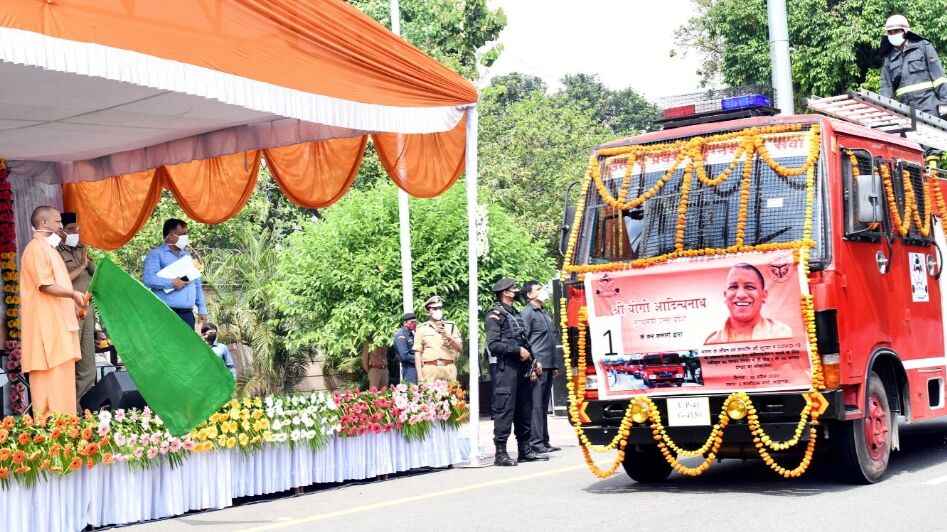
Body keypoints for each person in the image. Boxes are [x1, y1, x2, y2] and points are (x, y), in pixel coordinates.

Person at [21, 206, 87, 414]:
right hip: (47, 330)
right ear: (44, 223)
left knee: (64, 383)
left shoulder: (50, 250)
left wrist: (75, 305)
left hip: (61, 327)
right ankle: (53, 436)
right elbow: (45, 285)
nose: (61, 227)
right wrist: (73, 294)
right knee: (51, 384)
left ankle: (68, 432)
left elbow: (61, 285)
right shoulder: (35, 249)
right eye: (58, 222)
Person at [486, 278, 547, 466]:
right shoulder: (495, 315)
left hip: (522, 368)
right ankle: (501, 453)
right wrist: (516, 351)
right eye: (513, 289)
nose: (516, 291)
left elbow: (525, 342)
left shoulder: (515, 313)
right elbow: (493, 345)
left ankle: (525, 449)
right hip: (507, 369)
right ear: (505, 292)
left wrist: (534, 360)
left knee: (524, 408)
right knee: (505, 410)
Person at [880, 14, 947, 162]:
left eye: (896, 31)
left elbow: (939, 76)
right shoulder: (889, 57)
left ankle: (933, 176)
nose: (893, 35)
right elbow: (886, 87)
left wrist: (944, 102)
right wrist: (883, 110)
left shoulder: (923, 46)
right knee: (912, 149)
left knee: (932, 147)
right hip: (906, 109)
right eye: (890, 32)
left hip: (928, 105)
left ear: (905, 31)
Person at [55, 211, 97, 402]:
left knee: (88, 365)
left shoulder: (82, 249)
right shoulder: (55, 252)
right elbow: (60, 283)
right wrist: (80, 266)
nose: (75, 232)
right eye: (71, 229)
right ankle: (68, 407)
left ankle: (81, 406)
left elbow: (95, 275)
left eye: (76, 229)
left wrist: (88, 262)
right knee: (71, 360)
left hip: (86, 311)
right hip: (68, 311)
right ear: (61, 230)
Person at [142, 218, 207, 329]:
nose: (186, 237)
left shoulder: (187, 256)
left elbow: (196, 283)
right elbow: (148, 279)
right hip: (166, 313)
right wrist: (171, 283)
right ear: (171, 236)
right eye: (183, 234)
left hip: (187, 314)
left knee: (186, 346)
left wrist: (202, 308)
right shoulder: (156, 254)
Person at [705, 263, 793, 344]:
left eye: (749, 287)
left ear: (764, 296)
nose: (741, 295)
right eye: (733, 287)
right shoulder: (712, 341)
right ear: (725, 296)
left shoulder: (781, 334)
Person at [520, 280, 561, 454]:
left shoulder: (544, 311)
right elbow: (525, 340)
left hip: (549, 364)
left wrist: (555, 365)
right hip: (537, 365)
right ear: (529, 294)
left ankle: (544, 440)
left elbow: (550, 340)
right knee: (536, 405)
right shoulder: (527, 313)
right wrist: (533, 363)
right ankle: (536, 442)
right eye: (538, 289)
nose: (542, 291)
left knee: (543, 405)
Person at [413, 296, 462, 383]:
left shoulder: (451, 326)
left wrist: (447, 336)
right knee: (429, 395)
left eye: (440, 308)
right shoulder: (421, 328)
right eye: (434, 308)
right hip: (430, 370)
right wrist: (420, 377)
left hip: (448, 369)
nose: (438, 311)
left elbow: (459, 348)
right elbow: (418, 354)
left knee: (452, 395)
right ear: (428, 311)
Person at [393, 312, 418, 384]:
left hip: (416, 367)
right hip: (409, 369)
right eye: (412, 322)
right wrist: (419, 358)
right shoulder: (401, 336)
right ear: (405, 323)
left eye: (415, 322)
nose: (414, 324)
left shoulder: (411, 335)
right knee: (412, 391)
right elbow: (404, 356)